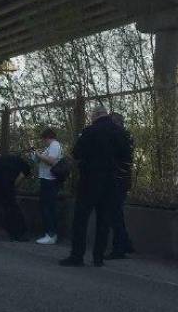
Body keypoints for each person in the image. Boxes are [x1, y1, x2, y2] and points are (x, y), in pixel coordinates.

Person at [59, 105, 129, 267]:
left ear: (95, 115)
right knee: (103, 219)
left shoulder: (90, 131)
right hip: (111, 181)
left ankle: (77, 256)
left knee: (81, 219)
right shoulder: (119, 132)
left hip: (89, 180)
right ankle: (98, 257)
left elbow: (77, 153)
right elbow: (126, 156)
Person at [105, 112, 135, 259]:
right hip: (124, 178)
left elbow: (112, 157)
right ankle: (125, 243)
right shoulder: (128, 136)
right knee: (117, 213)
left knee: (114, 214)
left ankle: (120, 247)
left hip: (116, 178)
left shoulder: (117, 137)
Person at [0, 154, 32, 242]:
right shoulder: (26, 167)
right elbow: (20, 178)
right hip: (3, 180)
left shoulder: (10, 159)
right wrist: (13, 188)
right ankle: (16, 234)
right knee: (11, 207)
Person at [32, 128, 62, 245]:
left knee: (48, 207)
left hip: (50, 180)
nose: (43, 141)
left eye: (43, 139)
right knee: (46, 206)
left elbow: (52, 161)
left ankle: (51, 234)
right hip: (45, 179)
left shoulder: (54, 145)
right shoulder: (49, 147)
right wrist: (37, 155)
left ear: (47, 137)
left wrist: (39, 155)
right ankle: (49, 233)